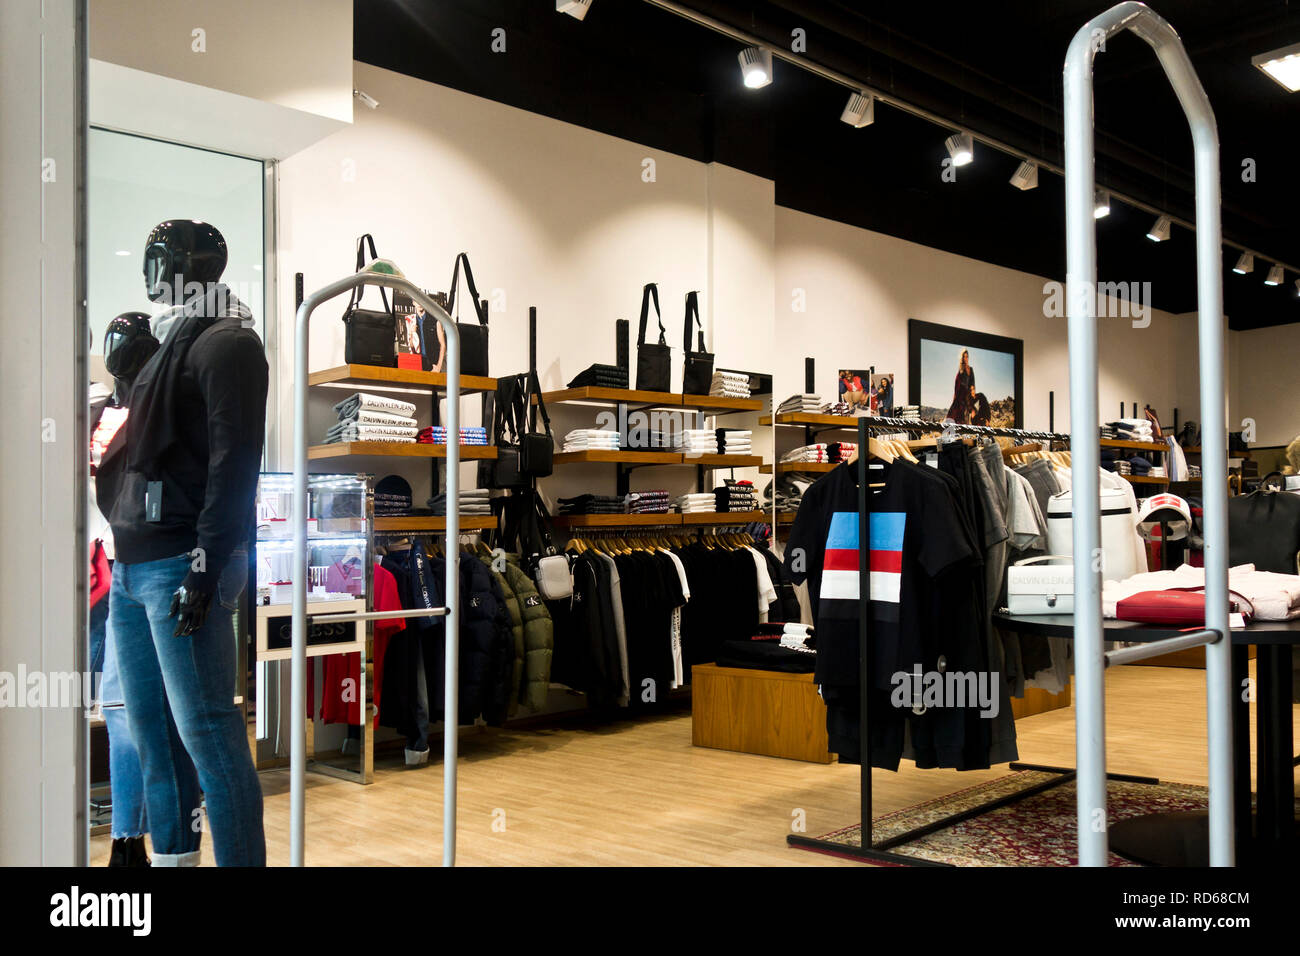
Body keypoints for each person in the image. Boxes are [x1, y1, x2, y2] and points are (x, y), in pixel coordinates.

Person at [97, 220, 268, 866]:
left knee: (209, 733)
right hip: (131, 569)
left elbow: (235, 462)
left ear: (198, 264)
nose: (152, 269)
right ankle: (172, 858)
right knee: (151, 734)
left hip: (179, 565)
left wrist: (205, 564)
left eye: (163, 258)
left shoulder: (229, 344)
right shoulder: (164, 348)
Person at [90, 312, 160, 867]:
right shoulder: (88, 410)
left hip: (125, 572)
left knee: (122, 707)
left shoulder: (160, 410)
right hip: (74, 575)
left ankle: (127, 836)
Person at [946, 349, 975, 423]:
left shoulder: (971, 369)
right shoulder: (961, 370)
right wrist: (954, 398)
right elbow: (957, 384)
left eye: (967, 357)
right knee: (953, 414)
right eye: (964, 357)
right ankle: (949, 431)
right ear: (962, 358)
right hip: (960, 395)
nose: (965, 358)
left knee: (966, 416)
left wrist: (972, 393)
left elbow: (972, 383)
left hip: (967, 395)